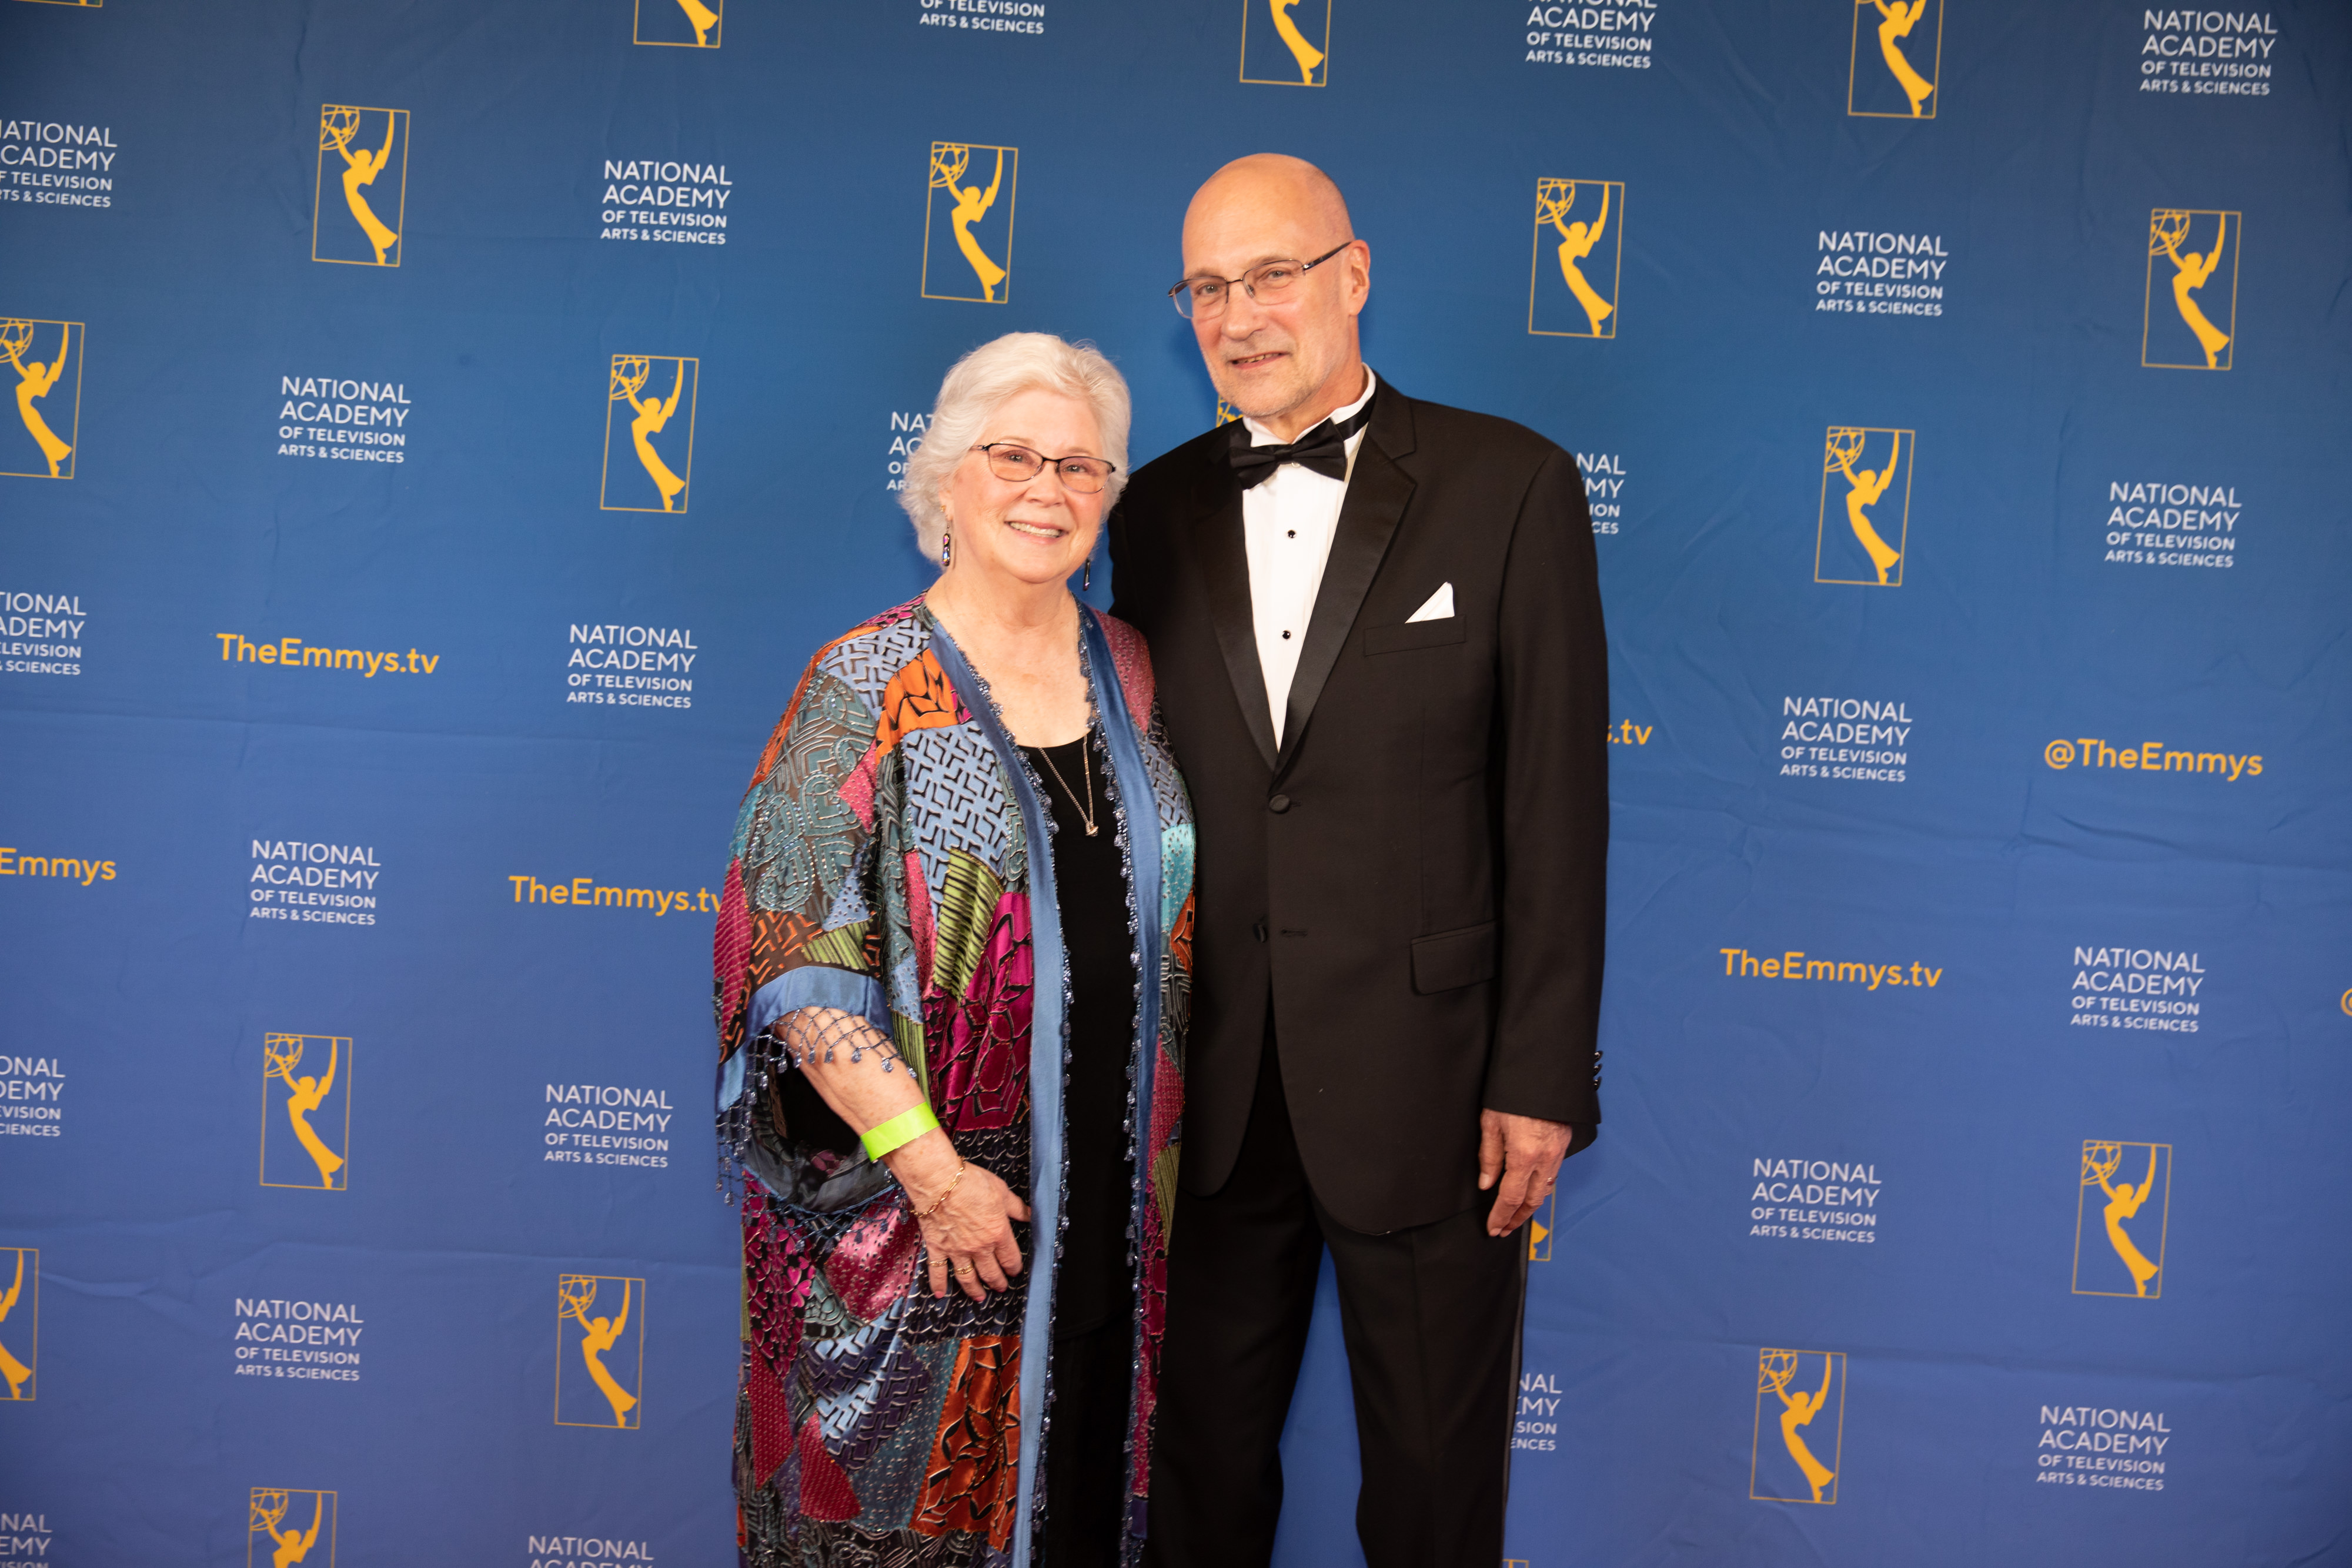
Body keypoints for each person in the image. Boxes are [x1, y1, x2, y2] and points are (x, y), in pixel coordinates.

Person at [1109, 155, 1608, 1568]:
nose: (1237, 315)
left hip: (1435, 1089)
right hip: (1211, 1095)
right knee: (1195, 1483)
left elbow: (1554, 802)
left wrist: (1538, 1073)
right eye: (1207, 288)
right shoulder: (1148, 511)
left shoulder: (1509, 484)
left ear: (1353, 276)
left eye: (1270, 275)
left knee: (1434, 1494)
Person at [713, 332, 1195, 1568]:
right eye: (1013, 456)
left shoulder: (1134, 670)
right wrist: (932, 1174)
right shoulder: (863, 681)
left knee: (1080, 1507)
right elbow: (791, 959)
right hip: (925, 1225)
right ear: (945, 478)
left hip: (1106, 1214)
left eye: (1079, 466)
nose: (1047, 489)